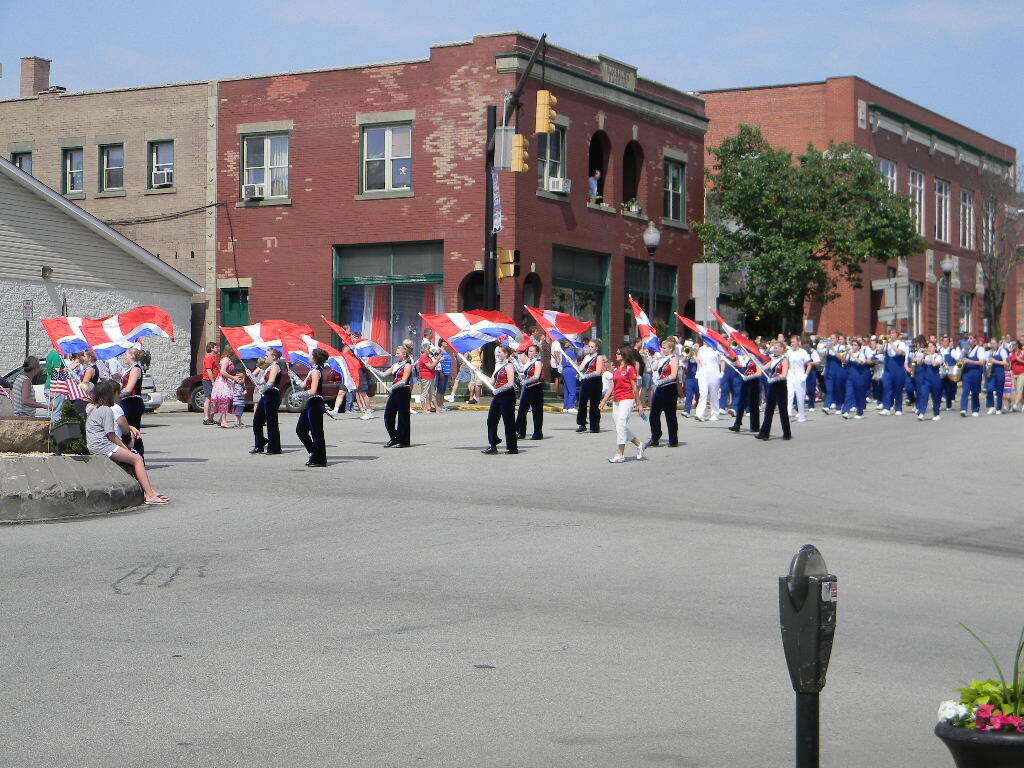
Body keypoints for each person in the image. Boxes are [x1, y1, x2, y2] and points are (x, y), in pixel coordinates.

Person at [85, 380, 167, 505]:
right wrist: (124, 448)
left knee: (132, 459)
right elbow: (111, 435)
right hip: (103, 446)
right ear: (110, 395)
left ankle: (148, 491)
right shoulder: (106, 410)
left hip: (94, 445)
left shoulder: (94, 409)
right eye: (116, 393)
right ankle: (149, 495)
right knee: (137, 459)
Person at [598, 346, 647, 463]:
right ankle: (639, 444)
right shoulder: (615, 370)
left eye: (618, 353)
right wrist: (603, 401)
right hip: (617, 400)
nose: (616, 355)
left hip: (627, 399)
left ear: (624, 355)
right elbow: (612, 387)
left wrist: (639, 404)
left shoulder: (630, 369)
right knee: (620, 426)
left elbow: (635, 387)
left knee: (620, 424)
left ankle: (620, 454)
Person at [482, 345, 518, 455]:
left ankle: (512, 448)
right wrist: (480, 374)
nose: (498, 354)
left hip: (507, 396)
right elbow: (491, 381)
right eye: (498, 352)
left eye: (500, 352)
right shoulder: (498, 365)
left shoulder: (509, 365)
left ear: (506, 354)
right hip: (498, 396)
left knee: (508, 422)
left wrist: (498, 391)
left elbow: (511, 383)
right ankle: (493, 444)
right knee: (491, 420)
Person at [296, 348, 328, 467]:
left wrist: (299, 394)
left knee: (316, 432)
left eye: (310, 355)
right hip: (310, 403)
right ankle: (314, 453)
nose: (308, 357)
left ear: (315, 358)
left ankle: (320, 459)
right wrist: (293, 375)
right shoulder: (312, 370)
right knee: (300, 430)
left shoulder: (316, 371)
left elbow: (313, 391)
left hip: (315, 402)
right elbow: (303, 385)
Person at [646, 338, 679, 448]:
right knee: (653, 414)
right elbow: (651, 369)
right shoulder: (661, 359)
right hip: (660, 390)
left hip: (669, 389)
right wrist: (649, 356)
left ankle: (673, 440)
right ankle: (655, 437)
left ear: (670, 349)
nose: (662, 349)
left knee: (670, 416)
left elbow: (673, 376)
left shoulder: (673, 359)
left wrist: (660, 381)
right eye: (661, 347)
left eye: (664, 348)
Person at [756, 340, 792, 441]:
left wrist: (774, 378)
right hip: (772, 386)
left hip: (780, 386)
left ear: (781, 349)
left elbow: (784, 375)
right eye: (774, 348)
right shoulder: (773, 360)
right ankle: (764, 433)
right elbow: (762, 368)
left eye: (776, 348)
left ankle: (787, 433)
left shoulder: (784, 359)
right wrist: (755, 359)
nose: (774, 350)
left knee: (782, 410)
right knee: (768, 410)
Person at [250, 349, 283, 455]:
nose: (265, 357)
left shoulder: (275, 367)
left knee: (271, 422)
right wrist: (250, 375)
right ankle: (259, 443)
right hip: (266, 395)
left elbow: (271, 383)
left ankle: (274, 447)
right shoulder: (268, 367)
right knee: (257, 421)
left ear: (273, 357)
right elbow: (259, 383)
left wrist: (262, 389)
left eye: (267, 355)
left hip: (272, 395)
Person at [118, 348, 148, 459]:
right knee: (127, 429)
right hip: (127, 401)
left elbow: (129, 389)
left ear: (132, 356)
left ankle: (138, 455)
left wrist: (116, 396)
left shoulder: (135, 369)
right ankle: (131, 454)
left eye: (126, 354)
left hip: (132, 402)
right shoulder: (130, 369)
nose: (124, 357)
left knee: (132, 429)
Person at [384, 346, 413, 448]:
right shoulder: (395, 365)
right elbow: (383, 374)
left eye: (398, 353)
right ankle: (395, 437)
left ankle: (404, 441)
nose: (396, 355)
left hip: (403, 391)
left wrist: (391, 388)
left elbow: (403, 381)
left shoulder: (408, 365)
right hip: (395, 392)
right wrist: (370, 368)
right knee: (388, 416)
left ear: (404, 354)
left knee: (403, 417)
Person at [575, 339, 606, 434]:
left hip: (595, 382)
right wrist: (576, 369)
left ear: (596, 348)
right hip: (586, 382)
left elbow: (598, 372)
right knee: (582, 402)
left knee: (594, 404)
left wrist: (586, 376)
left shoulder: (599, 357)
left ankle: (595, 426)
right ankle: (582, 424)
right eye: (589, 346)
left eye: (592, 347)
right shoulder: (586, 357)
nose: (590, 348)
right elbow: (581, 368)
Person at [515, 344, 545, 440]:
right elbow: (521, 369)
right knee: (522, 411)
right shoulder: (528, 362)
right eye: (529, 350)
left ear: (536, 353)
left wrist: (525, 381)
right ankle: (521, 432)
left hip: (536, 388)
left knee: (537, 412)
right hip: (527, 388)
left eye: (532, 351)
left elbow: (536, 376)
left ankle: (538, 433)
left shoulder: (538, 362)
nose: (529, 352)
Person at [728, 351, 762, 433]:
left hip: (754, 382)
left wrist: (751, 376)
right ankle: (737, 424)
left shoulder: (754, 358)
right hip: (745, 381)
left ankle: (755, 426)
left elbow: (759, 372)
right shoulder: (742, 359)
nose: (742, 350)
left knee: (753, 404)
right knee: (741, 403)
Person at [880, 332, 908, 416]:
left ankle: (898, 408)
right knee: (886, 387)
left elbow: (899, 352)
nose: (891, 335)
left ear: (897, 335)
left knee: (898, 389)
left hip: (898, 368)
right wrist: (884, 343)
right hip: (888, 369)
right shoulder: (887, 344)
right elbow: (880, 351)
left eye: (893, 333)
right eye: (890, 333)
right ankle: (886, 407)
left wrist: (891, 343)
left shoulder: (901, 344)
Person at [695, 337, 723, 421]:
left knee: (713, 394)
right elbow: (699, 361)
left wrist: (722, 372)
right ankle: (700, 414)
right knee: (703, 393)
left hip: (714, 373)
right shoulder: (701, 349)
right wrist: (698, 371)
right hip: (703, 373)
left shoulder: (717, 348)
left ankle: (715, 414)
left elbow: (722, 361)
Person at [209, 349, 238, 427]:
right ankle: (223, 421)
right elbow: (222, 371)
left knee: (227, 400)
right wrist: (233, 377)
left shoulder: (228, 359)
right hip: (223, 382)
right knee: (225, 400)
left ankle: (221, 419)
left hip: (227, 381)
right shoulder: (226, 359)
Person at [959, 337, 987, 417]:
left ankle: (975, 409)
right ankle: (963, 409)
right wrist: (959, 364)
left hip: (976, 373)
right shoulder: (966, 349)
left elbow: (982, 362)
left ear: (975, 341)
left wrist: (969, 361)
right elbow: (962, 361)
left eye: (971, 339)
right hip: (966, 373)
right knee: (965, 391)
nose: (969, 340)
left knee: (975, 392)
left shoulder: (980, 349)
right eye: (968, 339)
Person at [842, 340, 869, 419]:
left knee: (859, 395)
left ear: (859, 347)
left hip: (859, 377)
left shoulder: (861, 354)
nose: (853, 346)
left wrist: (852, 355)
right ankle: (846, 411)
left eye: (855, 345)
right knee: (848, 394)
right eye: (852, 345)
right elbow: (843, 361)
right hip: (850, 377)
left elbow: (860, 362)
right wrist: (846, 353)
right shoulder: (849, 354)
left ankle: (859, 412)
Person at [916, 341, 943, 421]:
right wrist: (922, 357)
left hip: (935, 379)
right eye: (928, 346)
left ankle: (936, 413)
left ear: (935, 348)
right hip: (926, 379)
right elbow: (918, 363)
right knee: (923, 394)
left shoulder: (938, 356)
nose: (929, 348)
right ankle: (921, 413)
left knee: (936, 397)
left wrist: (930, 355)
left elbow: (934, 364)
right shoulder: (925, 356)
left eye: (931, 346)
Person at [786, 336, 811, 422]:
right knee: (790, 394)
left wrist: (805, 375)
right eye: (791, 342)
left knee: (800, 396)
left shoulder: (802, 352)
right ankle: (788, 413)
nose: (792, 343)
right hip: (790, 375)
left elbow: (809, 365)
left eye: (793, 342)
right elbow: (786, 364)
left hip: (800, 375)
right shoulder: (788, 352)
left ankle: (801, 415)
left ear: (798, 342)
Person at [550, 339, 578, 413]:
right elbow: (575, 362)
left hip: (564, 370)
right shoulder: (571, 352)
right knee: (572, 389)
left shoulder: (564, 352)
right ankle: (571, 406)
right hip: (570, 370)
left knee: (567, 390)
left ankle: (566, 406)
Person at [985, 339, 1009, 414]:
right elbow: (987, 361)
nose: (993, 345)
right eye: (991, 343)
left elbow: (1006, 363)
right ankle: (991, 407)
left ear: (998, 344)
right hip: (991, 372)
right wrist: (987, 365)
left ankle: (998, 408)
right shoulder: (990, 352)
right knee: (989, 389)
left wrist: (995, 361)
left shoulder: (1002, 351)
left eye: (994, 343)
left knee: (999, 391)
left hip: (1000, 372)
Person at [201, 341, 220, 425]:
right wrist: (212, 381)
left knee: (213, 399)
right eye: (216, 347)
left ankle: (211, 417)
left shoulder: (214, 357)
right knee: (208, 398)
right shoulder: (208, 358)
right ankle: (206, 418)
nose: (217, 348)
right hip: (208, 380)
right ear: (212, 348)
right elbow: (209, 370)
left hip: (214, 380)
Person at [416, 342, 438, 414]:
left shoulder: (428, 357)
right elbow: (430, 366)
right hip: (425, 376)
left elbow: (432, 366)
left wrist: (436, 361)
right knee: (424, 393)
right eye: (428, 349)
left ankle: (431, 407)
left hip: (431, 376)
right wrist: (438, 360)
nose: (430, 350)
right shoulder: (423, 357)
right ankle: (424, 408)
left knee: (431, 393)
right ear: (425, 349)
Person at [680, 341, 699, 417]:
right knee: (689, 393)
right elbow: (683, 361)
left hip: (698, 376)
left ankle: (699, 410)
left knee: (698, 394)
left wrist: (694, 355)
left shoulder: (699, 355)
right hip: (690, 377)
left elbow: (699, 362)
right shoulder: (689, 357)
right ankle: (686, 411)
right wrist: (686, 355)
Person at [1010, 341, 1024, 412]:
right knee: (1016, 391)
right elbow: (1011, 360)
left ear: (1018, 345)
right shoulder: (1013, 353)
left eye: (1014, 345)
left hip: (1021, 372)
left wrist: (1019, 360)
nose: (1013, 346)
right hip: (1014, 373)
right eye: (1012, 345)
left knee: (1019, 390)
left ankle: (1015, 405)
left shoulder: (1022, 352)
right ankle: (1023, 404)